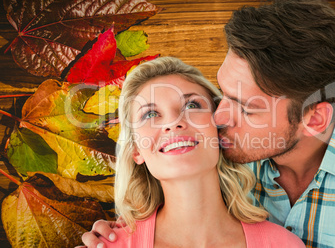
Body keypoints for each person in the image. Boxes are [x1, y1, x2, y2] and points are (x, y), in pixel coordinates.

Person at [81, 0, 335, 247]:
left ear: (315, 118)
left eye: (247, 107)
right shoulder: (222, 154)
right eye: (221, 93)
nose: (217, 116)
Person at [78, 56, 305, 247]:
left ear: (219, 127)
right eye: (150, 114)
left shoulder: (283, 243)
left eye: (192, 105)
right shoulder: (108, 245)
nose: (173, 123)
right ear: (136, 150)